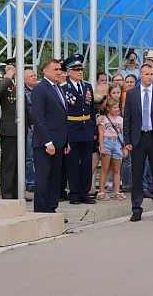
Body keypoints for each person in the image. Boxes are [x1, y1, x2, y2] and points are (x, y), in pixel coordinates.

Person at [123, 64, 153, 222]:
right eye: (147, 74)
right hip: (138, 139)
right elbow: (127, 120)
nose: (149, 77)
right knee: (136, 175)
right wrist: (127, 140)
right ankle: (136, 209)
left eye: (152, 74)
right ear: (140, 75)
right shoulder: (131, 94)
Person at [32, 59, 70, 214]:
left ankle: (51, 208)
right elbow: (38, 117)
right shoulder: (40, 89)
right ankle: (41, 211)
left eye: (60, 69)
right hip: (45, 143)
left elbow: (62, 117)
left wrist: (66, 141)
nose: (59, 72)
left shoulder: (58, 88)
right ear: (45, 71)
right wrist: (47, 141)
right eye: (55, 69)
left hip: (59, 141)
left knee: (55, 177)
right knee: (43, 177)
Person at [0, 57, 33, 199]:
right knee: (9, 163)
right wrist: (8, 78)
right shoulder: (1, 82)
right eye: (13, 69)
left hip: (22, 129)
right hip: (9, 129)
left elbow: (26, 106)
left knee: (20, 162)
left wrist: (32, 123)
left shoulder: (20, 84)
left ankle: (18, 192)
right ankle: (7, 193)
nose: (16, 72)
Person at [61, 54, 97, 205]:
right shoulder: (63, 87)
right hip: (72, 128)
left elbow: (92, 109)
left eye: (81, 69)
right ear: (69, 72)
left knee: (87, 163)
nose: (80, 72)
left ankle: (85, 192)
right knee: (72, 163)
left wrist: (93, 129)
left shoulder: (87, 86)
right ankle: (74, 193)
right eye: (76, 70)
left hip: (86, 128)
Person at [97, 98, 126, 201]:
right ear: (108, 108)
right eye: (113, 107)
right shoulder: (103, 119)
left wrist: (124, 147)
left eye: (117, 107)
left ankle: (117, 191)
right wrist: (102, 147)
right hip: (107, 142)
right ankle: (101, 192)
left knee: (116, 169)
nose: (116, 109)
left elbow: (123, 133)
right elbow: (100, 133)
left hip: (117, 143)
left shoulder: (121, 120)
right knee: (105, 169)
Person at [23, 68, 39, 193]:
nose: (34, 77)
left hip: (42, 125)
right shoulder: (21, 91)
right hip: (29, 126)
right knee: (29, 155)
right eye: (31, 76)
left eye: (35, 75)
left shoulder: (40, 89)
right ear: (24, 79)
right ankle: (30, 181)